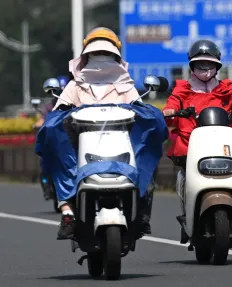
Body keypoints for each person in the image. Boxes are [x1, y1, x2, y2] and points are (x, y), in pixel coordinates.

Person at [52, 27, 155, 240]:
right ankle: (68, 213)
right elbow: (57, 115)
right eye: (97, 53)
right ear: (86, 56)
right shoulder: (75, 86)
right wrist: (64, 113)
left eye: (106, 54)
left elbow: (142, 110)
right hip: (83, 148)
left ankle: (142, 216)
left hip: (119, 148)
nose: (101, 58)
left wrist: (144, 114)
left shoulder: (126, 86)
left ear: (115, 57)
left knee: (146, 167)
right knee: (61, 164)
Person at [162, 39, 232, 221]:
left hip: (221, 143)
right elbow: (173, 102)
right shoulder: (182, 88)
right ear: (192, 66)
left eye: (210, 65)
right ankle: (187, 205)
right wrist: (170, 110)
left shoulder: (227, 88)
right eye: (200, 66)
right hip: (191, 142)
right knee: (185, 167)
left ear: (217, 67)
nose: (205, 70)